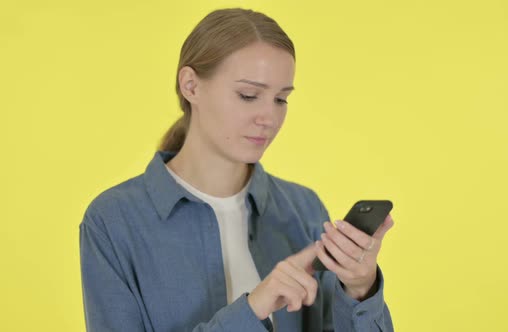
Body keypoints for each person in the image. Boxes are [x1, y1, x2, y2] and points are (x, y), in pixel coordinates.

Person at [79, 7, 395, 332]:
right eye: (248, 95)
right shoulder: (113, 221)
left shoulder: (303, 209)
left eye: (281, 99)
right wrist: (253, 308)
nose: (268, 118)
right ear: (191, 86)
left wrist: (360, 290)